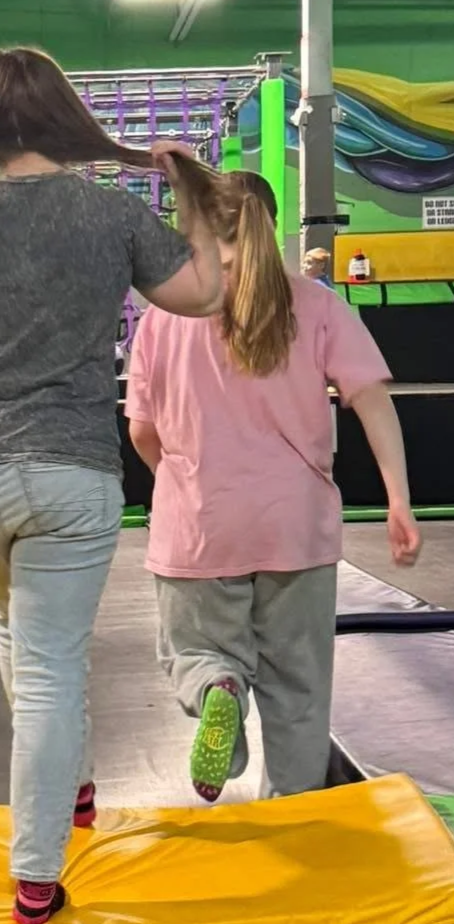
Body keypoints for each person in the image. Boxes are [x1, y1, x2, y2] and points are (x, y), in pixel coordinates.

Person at [0, 47, 227, 924]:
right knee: (50, 664)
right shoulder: (112, 214)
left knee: (14, 627)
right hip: (66, 471)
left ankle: (77, 787)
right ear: (70, 120)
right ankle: (33, 876)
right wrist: (193, 199)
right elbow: (207, 293)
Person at [126, 170, 421, 807]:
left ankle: (216, 691)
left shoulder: (164, 314)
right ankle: (294, 815)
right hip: (295, 526)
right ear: (272, 222)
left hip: (199, 525)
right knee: (298, 693)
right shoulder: (316, 306)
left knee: (197, 653)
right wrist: (398, 497)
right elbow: (372, 400)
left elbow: (144, 431)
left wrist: (178, 485)